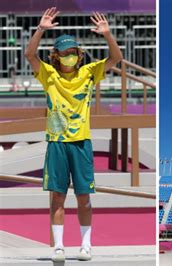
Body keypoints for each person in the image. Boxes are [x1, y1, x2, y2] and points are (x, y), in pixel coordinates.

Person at [24, 7, 123, 262]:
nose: (70, 57)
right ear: (56, 56)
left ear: (80, 55)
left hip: (81, 142)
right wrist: (40, 30)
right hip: (57, 143)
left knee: (83, 197)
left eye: (73, 53)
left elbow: (116, 58)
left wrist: (108, 34)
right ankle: (58, 247)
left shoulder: (89, 72)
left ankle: (85, 246)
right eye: (65, 53)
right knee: (57, 197)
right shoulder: (49, 74)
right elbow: (30, 54)